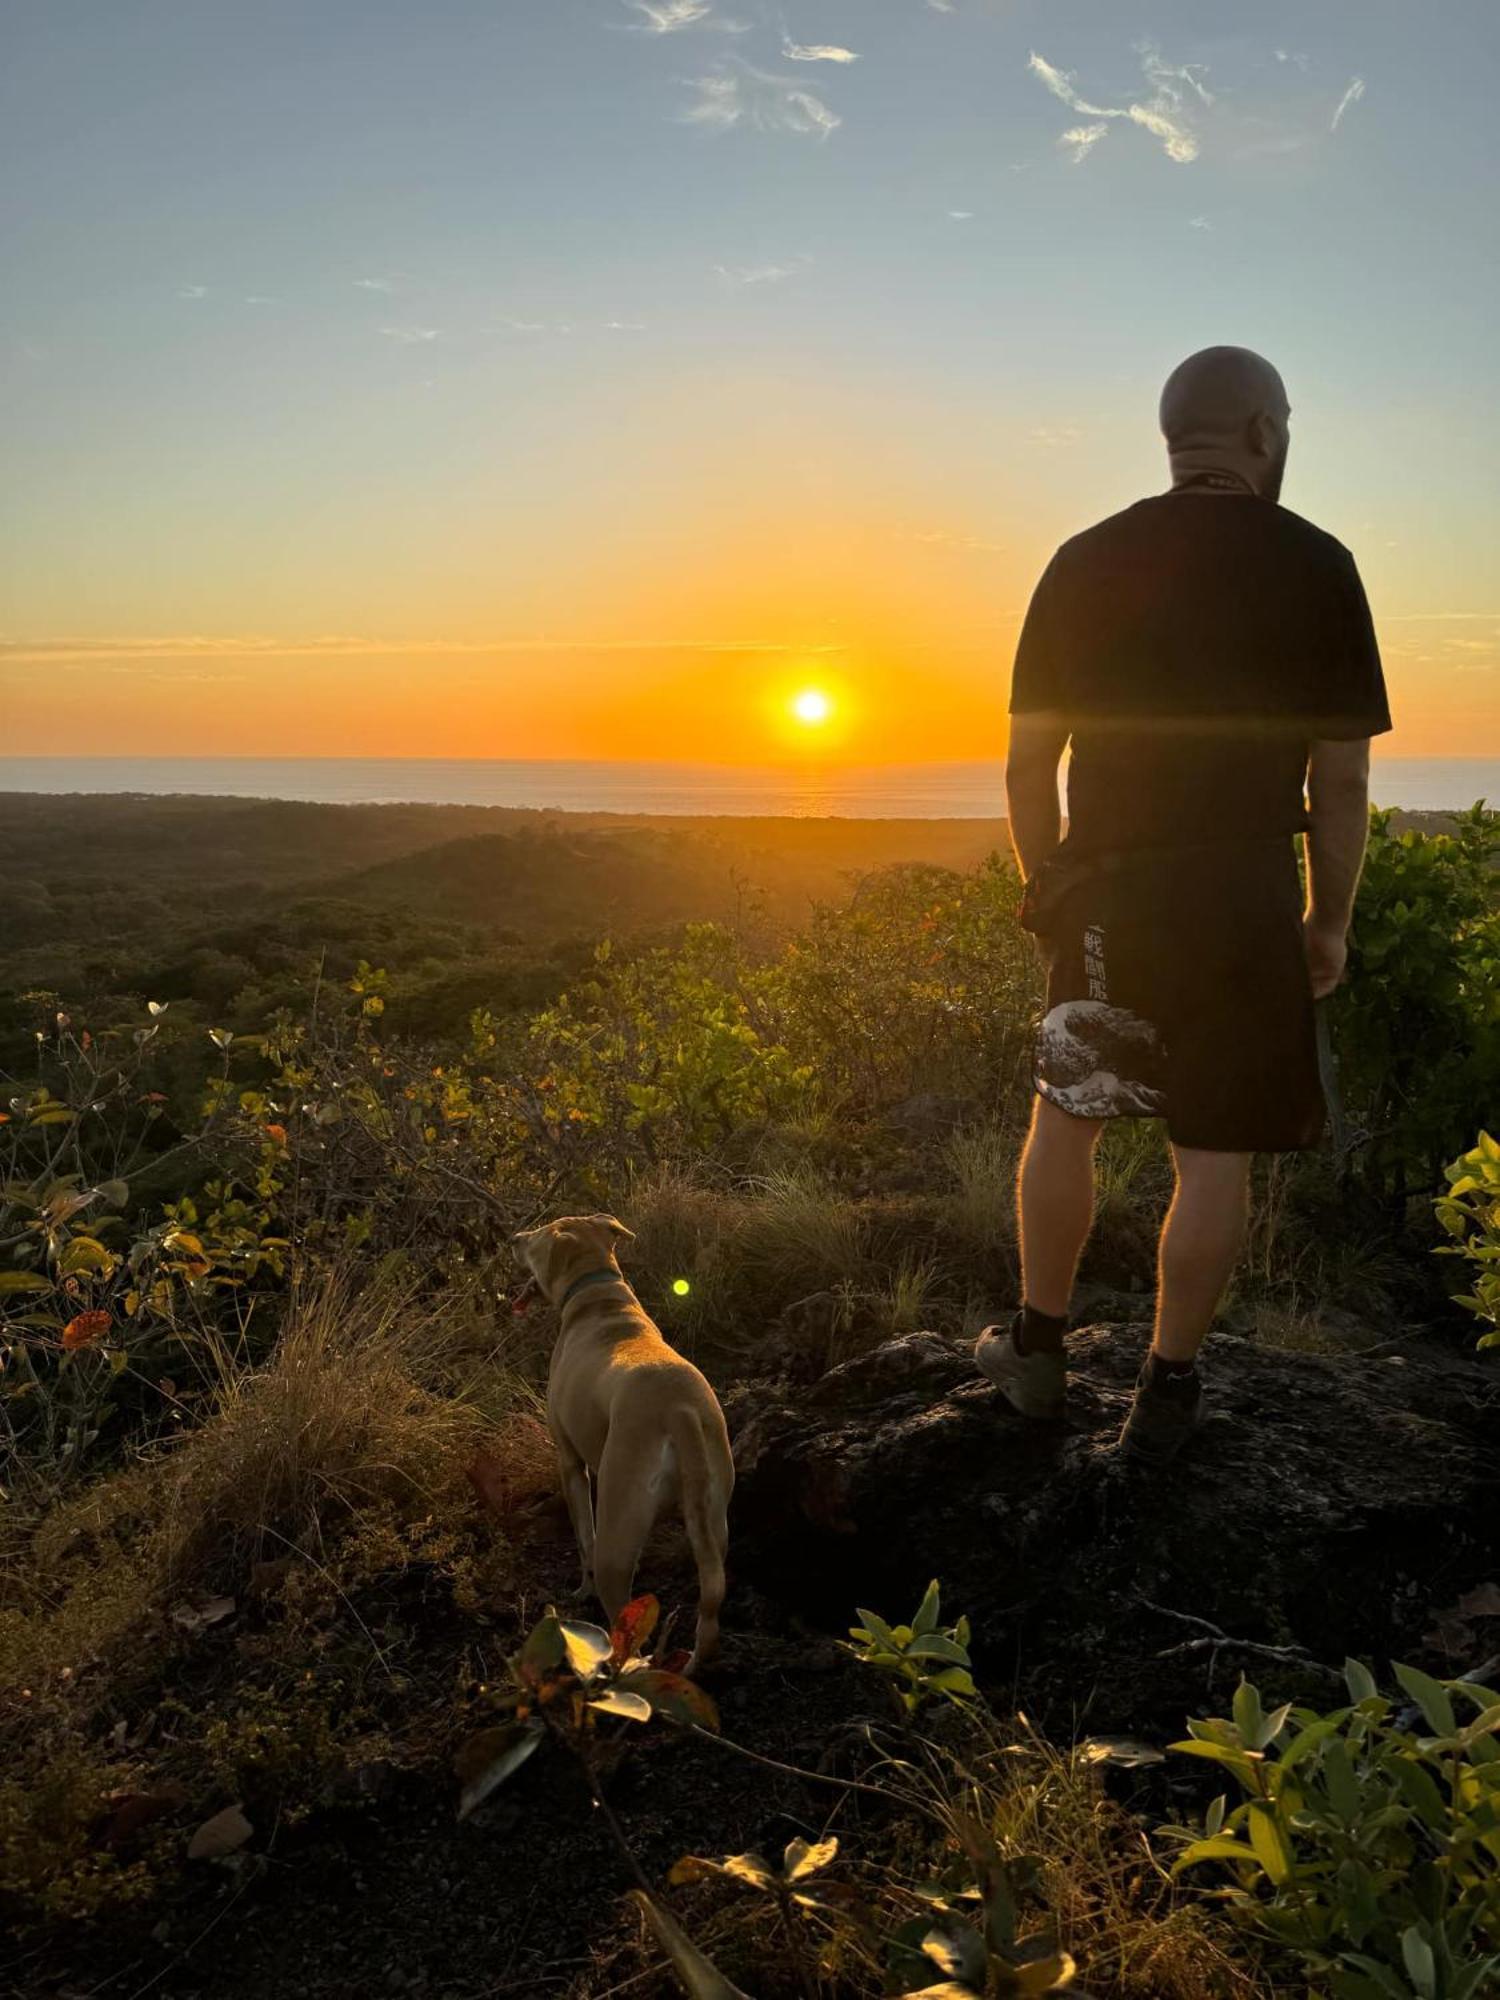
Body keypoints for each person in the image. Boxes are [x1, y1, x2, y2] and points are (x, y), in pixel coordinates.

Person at [977, 345, 1391, 1464]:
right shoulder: (1320, 564)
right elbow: (1339, 781)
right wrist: (1327, 920)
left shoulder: (1085, 560)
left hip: (1107, 891)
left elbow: (1028, 765)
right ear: (1264, 433)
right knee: (1214, 1154)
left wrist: (1048, 881)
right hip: (1245, 899)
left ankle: (1037, 1351)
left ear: (1176, 438)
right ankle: (1166, 1392)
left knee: (1068, 1115)